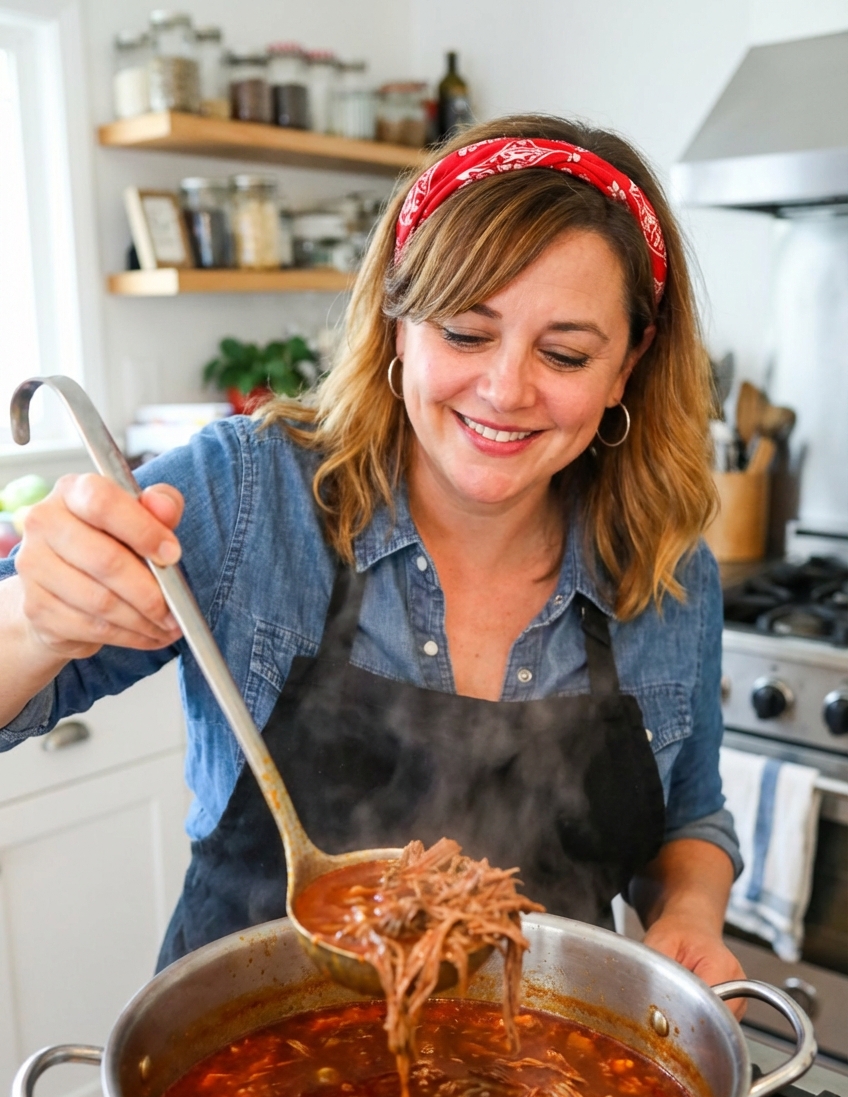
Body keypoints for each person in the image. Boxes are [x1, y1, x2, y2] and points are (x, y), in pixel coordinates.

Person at [0, 114, 744, 999]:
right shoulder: (247, 494)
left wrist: (689, 911)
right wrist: (33, 621)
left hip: (541, 1044)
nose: (505, 389)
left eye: (566, 353)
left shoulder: (668, 568)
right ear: (398, 322)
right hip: (242, 1037)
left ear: (627, 365)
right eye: (465, 333)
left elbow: (690, 815)